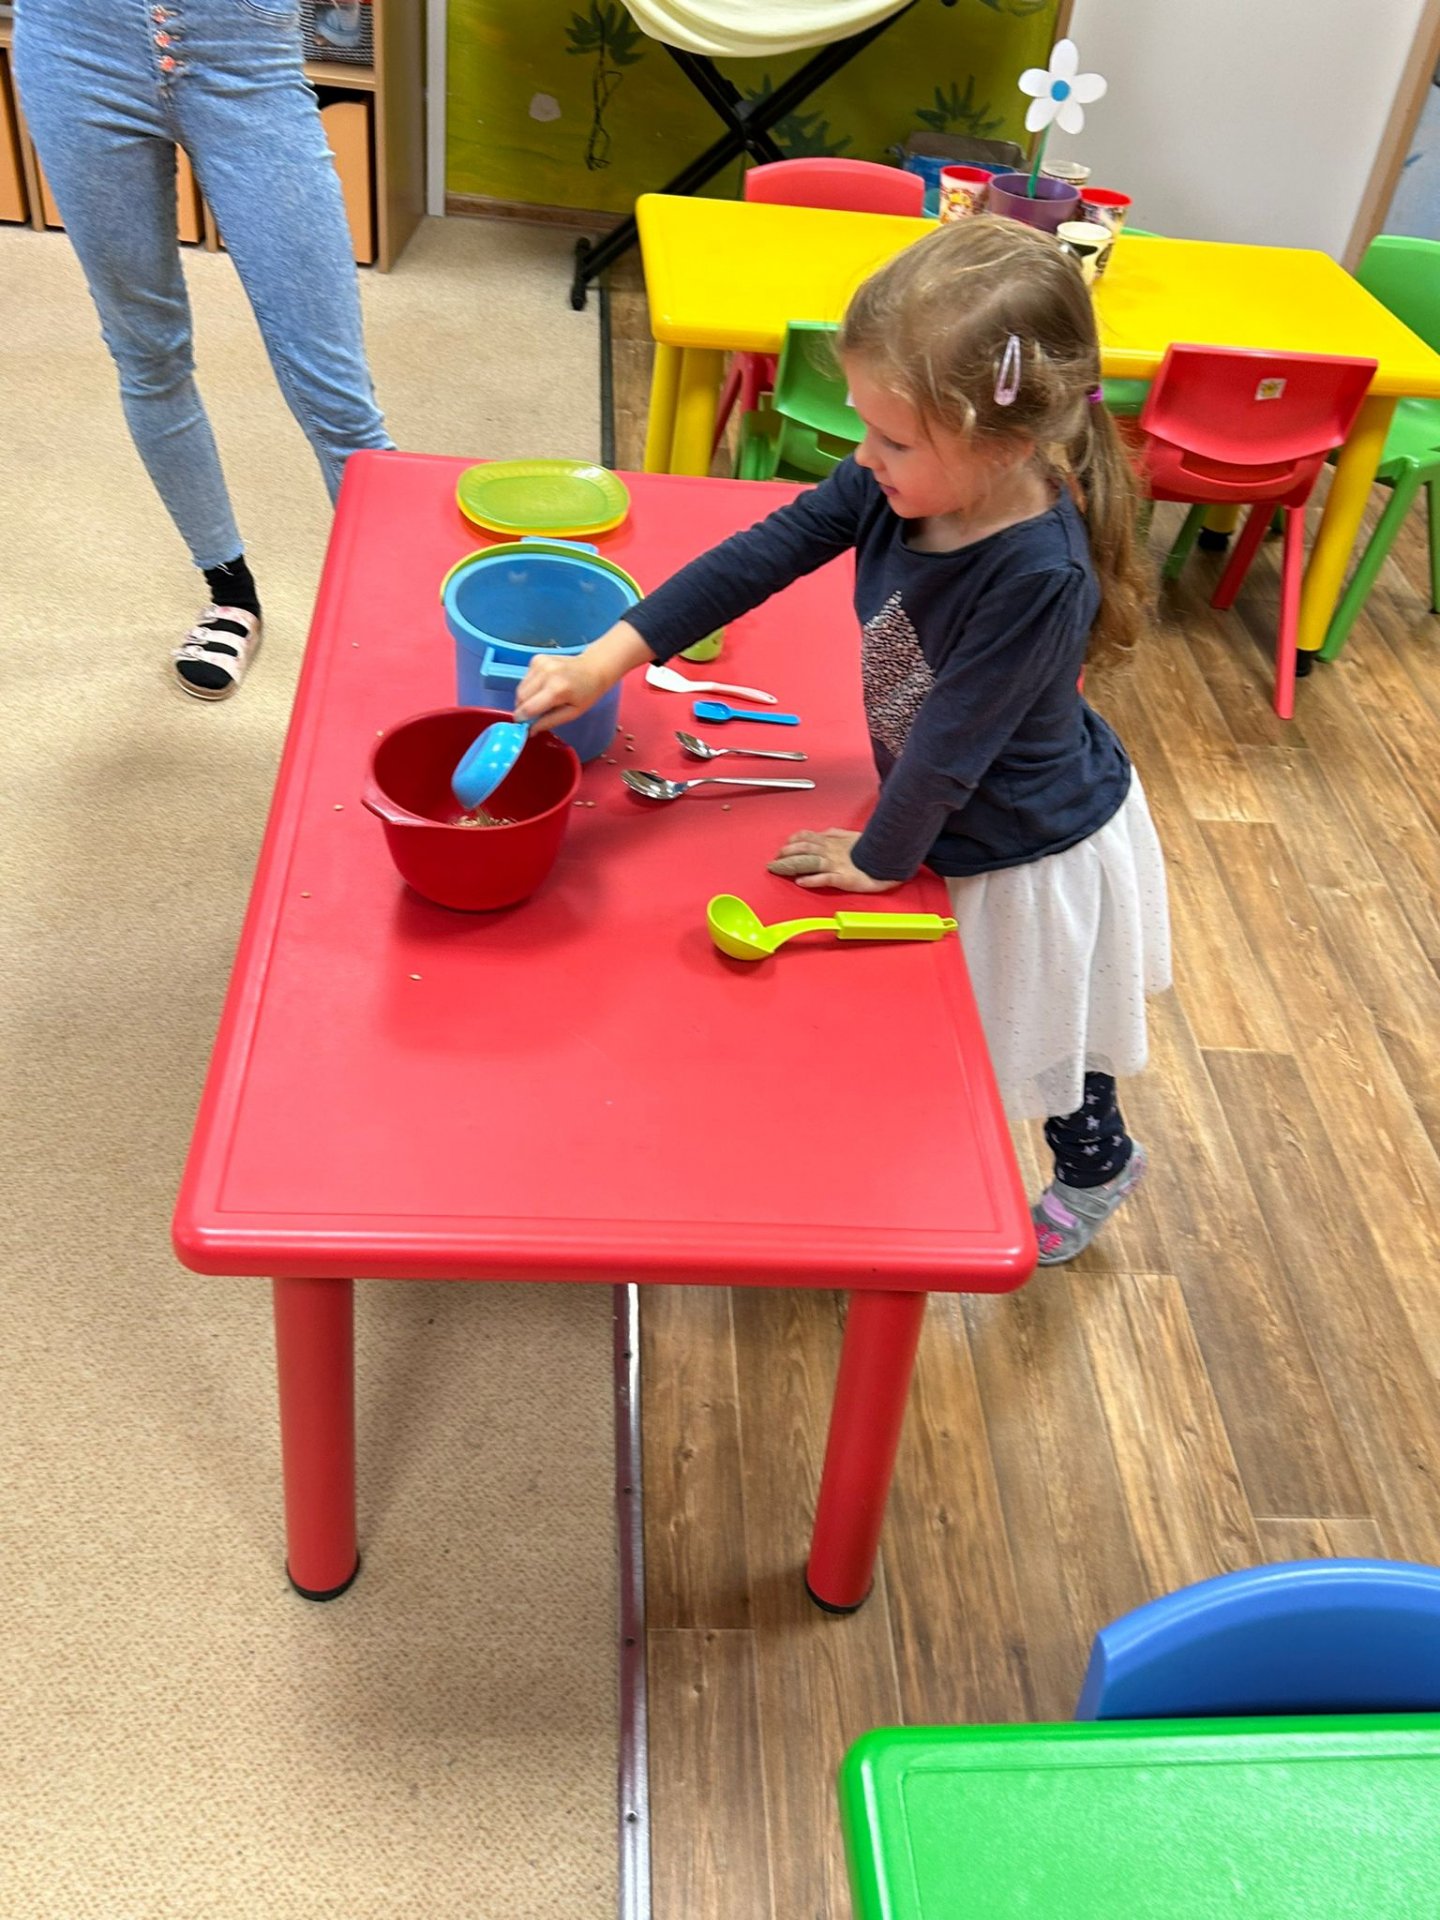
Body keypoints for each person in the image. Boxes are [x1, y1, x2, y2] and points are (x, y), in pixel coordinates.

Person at [517, 216, 1171, 1266]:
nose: (864, 457)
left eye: (893, 441)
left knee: (1046, 1031)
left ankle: (1097, 1164)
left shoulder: (1037, 574)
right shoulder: (902, 482)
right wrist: (611, 656)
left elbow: (952, 746)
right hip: (938, 807)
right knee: (922, 1023)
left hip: (1022, 842)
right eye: (867, 428)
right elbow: (762, 553)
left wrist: (878, 856)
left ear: (1004, 444)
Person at [13, 0, 394, 700]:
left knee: (334, 385)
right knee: (147, 351)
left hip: (245, 49)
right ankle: (230, 594)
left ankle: (398, 610)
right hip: (75, 45)